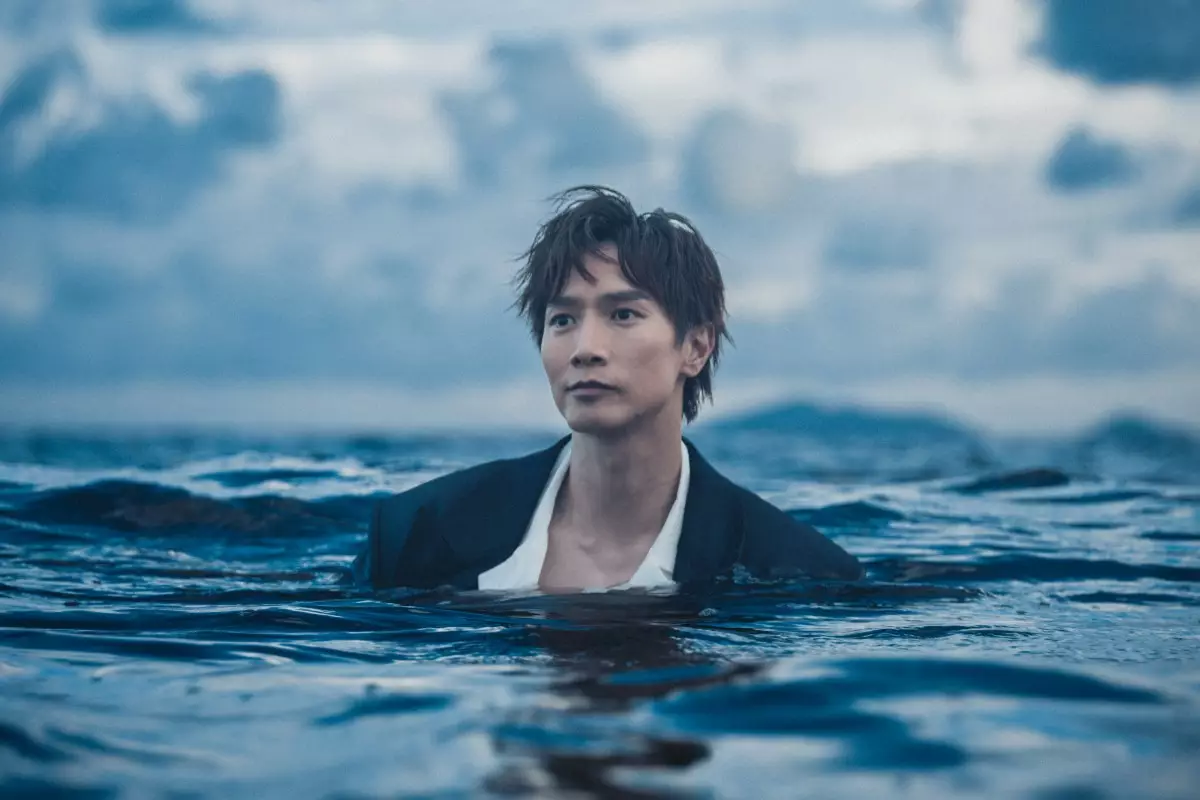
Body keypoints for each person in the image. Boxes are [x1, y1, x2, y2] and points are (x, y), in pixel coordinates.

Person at [354, 186, 862, 592]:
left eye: (623, 315)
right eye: (562, 320)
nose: (586, 349)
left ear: (696, 347)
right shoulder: (413, 533)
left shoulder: (797, 572)